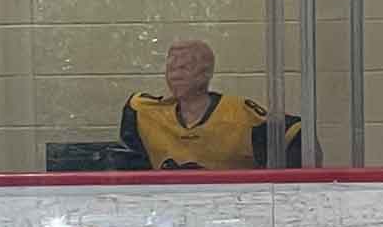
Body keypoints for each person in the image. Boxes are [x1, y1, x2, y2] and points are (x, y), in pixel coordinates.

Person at [120, 39, 304, 171]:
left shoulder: (240, 115)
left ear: (205, 74)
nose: (174, 76)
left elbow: (295, 132)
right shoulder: (145, 112)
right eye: (171, 69)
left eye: (184, 68)